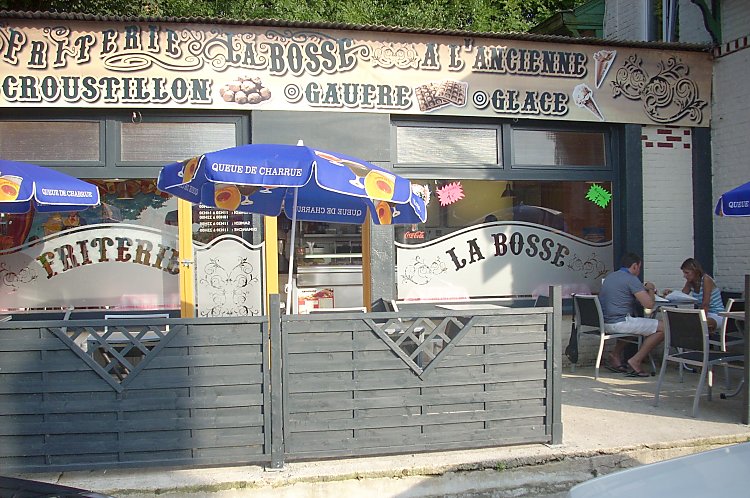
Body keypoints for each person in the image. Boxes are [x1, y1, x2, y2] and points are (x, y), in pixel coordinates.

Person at [599, 252, 664, 377]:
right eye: (639, 267)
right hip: (619, 322)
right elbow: (649, 305)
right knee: (664, 328)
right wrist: (651, 289)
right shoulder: (631, 279)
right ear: (634, 266)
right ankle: (636, 360)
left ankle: (615, 355)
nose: (639, 271)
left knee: (637, 327)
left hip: (605, 322)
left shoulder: (610, 276)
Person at [666, 258, 724, 331]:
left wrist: (702, 319)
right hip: (703, 313)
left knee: (694, 323)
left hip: (716, 314)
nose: (685, 276)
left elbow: (705, 303)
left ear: (695, 271)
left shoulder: (706, 279)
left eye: (687, 273)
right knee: (681, 321)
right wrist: (671, 293)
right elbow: (682, 295)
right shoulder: (690, 282)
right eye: (684, 273)